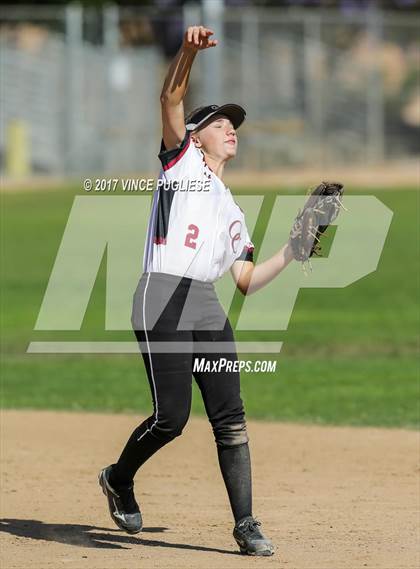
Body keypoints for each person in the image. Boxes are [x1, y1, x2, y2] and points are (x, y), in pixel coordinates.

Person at [99, 25, 294, 557]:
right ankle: (118, 477)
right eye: (220, 123)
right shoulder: (179, 161)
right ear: (195, 133)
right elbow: (170, 96)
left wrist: (294, 250)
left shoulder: (234, 209)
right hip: (160, 293)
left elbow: (247, 283)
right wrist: (187, 52)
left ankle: (246, 523)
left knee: (230, 416)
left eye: (236, 126)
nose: (232, 129)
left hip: (205, 305)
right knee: (172, 419)